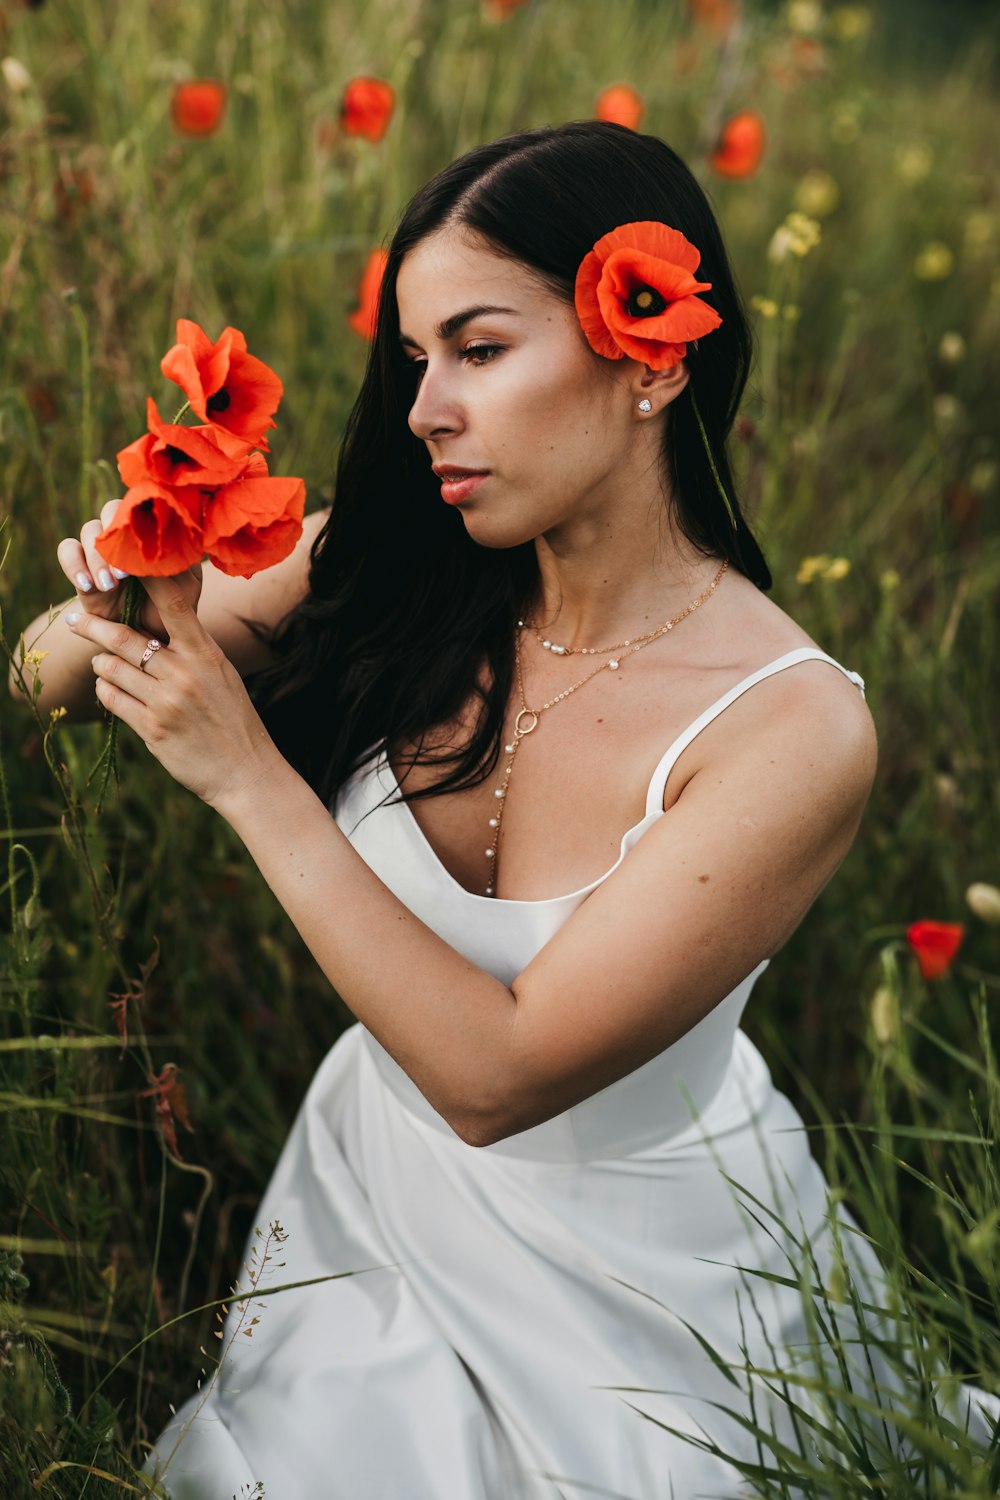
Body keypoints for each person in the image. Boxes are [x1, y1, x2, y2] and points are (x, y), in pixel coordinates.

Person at [12, 121, 991, 1498]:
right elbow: (49, 677)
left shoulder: (792, 725)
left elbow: (494, 1079)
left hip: (650, 1285)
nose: (424, 412)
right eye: (415, 362)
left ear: (649, 352)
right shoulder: (396, 566)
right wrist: (117, 583)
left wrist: (247, 774)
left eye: (477, 351)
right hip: (374, 1205)